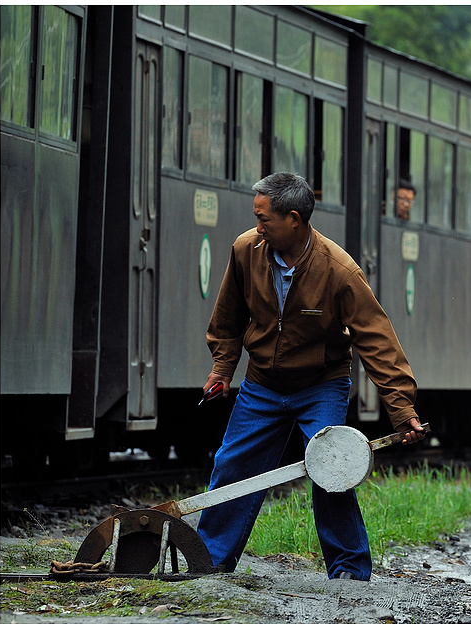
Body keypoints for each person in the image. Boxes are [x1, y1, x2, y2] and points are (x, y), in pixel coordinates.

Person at [198, 172, 425, 581]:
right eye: (256, 217)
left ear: (295, 219)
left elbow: (377, 341)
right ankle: (210, 563)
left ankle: (350, 572)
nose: (258, 226)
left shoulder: (339, 270)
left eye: (265, 218)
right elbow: (228, 317)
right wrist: (222, 368)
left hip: (321, 385)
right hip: (263, 385)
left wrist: (401, 407)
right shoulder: (246, 250)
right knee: (231, 466)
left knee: (331, 471)